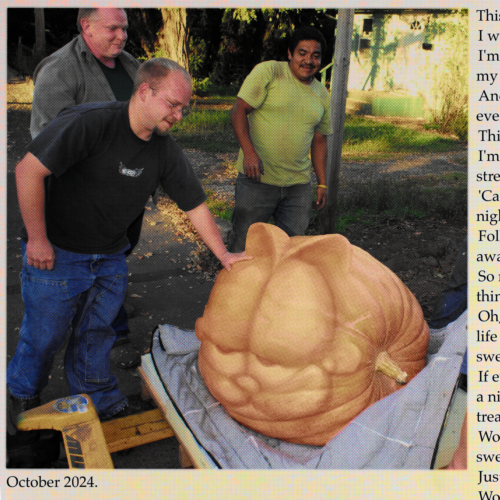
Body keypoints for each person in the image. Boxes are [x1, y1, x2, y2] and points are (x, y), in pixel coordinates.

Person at [7, 58, 252, 424]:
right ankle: (23, 397)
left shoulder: (163, 148)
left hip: (109, 257)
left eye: (184, 108)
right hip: (57, 254)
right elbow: (28, 170)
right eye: (173, 104)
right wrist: (38, 239)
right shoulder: (91, 122)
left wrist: (223, 254)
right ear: (144, 92)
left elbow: (194, 202)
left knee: (97, 333)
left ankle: (97, 399)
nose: (179, 116)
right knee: (45, 335)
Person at [30, 8, 142, 359]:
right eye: (113, 28)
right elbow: (46, 144)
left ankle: (107, 315)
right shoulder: (59, 70)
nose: (121, 36)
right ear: (86, 26)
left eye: (124, 28)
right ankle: (100, 326)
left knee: (118, 253)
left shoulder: (131, 65)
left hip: (128, 192)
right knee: (86, 264)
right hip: (85, 197)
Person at [227, 26, 333, 252]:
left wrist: (322, 182)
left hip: (298, 187)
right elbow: (238, 110)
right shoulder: (270, 72)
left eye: (315, 55)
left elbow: (320, 139)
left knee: (292, 249)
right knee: (244, 246)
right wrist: (249, 152)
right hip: (258, 181)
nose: (308, 60)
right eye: (302, 53)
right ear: (289, 54)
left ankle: (280, 288)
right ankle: (240, 287)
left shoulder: (322, 94)